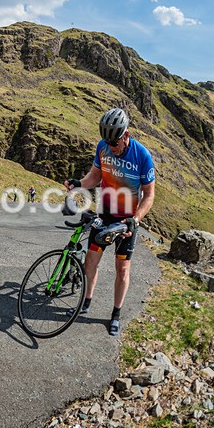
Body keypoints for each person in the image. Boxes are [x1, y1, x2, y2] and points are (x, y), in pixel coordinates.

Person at [64, 107, 155, 336]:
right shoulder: (103, 147)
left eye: (114, 143)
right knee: (90, 262)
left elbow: (150, 194)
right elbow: (95, 176)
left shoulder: (142, 156)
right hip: (104, 215)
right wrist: (79, 184)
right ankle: (85, 302)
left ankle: (115, 313)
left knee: (122, 269)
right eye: (107, 142)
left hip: (126, 222)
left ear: (126, 135)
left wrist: (136, 219)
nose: (111, 147)